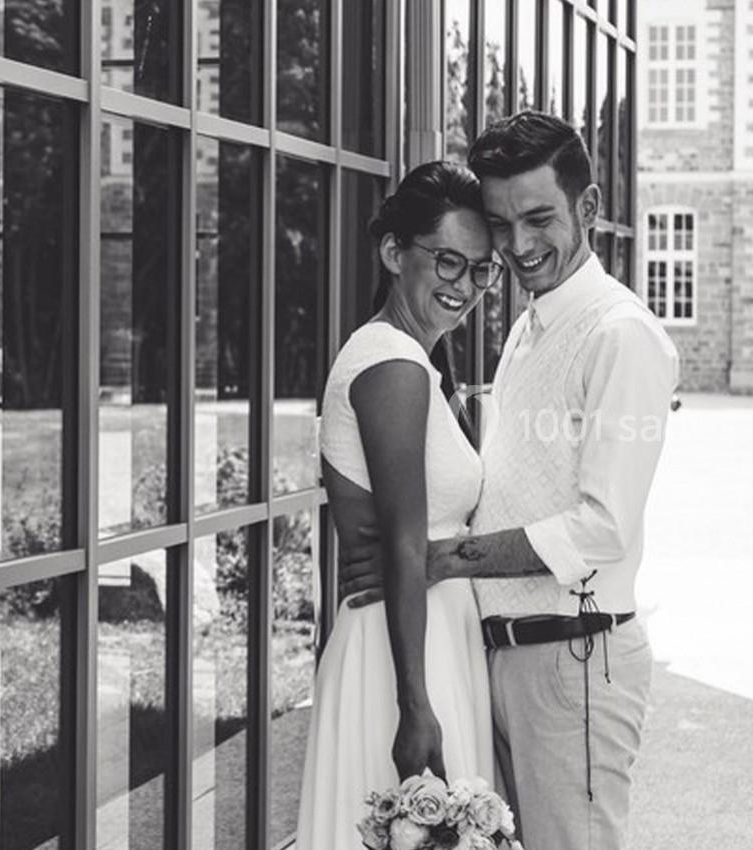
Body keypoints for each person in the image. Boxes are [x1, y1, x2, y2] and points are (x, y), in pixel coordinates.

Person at [341, 111, 680, 850]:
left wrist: (443, 559)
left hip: (573, 662)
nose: (520, 246)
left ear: (587, 210)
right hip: (500, 659)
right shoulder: (530, 327)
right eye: (501, 225)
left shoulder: (619, 334)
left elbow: (603, 527)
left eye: (539, 218)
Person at [296, 161, 504, 850]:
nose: (464, 284)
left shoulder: (410, 361)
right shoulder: (393, 365)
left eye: (479, 269)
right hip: (403, 661)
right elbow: (406, 543)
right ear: (393, 253)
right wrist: (416, 704)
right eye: (447, 260)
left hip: (429, 641)